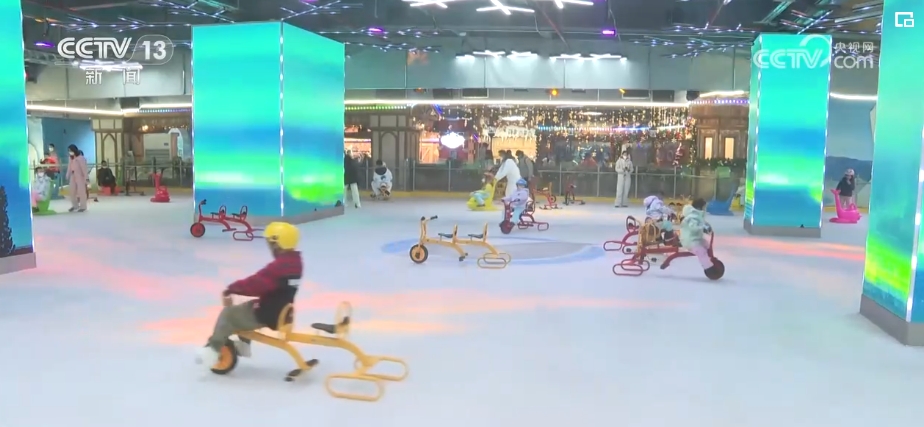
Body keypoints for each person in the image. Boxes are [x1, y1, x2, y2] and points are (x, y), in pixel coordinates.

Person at [196, 222, 304, 369]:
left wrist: (233, 288)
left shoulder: (278, 267)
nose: (269, 247)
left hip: (268, 314)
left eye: (270, 243)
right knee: (247, 307)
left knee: (229, 314)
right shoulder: (296, 262)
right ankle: (243, 345)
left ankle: (212, 351)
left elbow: (256, 283)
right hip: (282, 311)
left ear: (277, 243)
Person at [680, 198, 719, 276]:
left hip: (696, 238)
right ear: (699, 207)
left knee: (706, 245)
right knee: (701, 251)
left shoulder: (697, 215)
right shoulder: (692, 217)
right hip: (689, 240)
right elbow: (693, 227)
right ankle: (709, 269)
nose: (705, 209)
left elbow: (702, 223)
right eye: (704, 207)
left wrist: (706, 226)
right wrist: (703, 228)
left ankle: (710, 259)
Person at [66, 144, 88, 212]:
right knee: (72, 191)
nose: (69, 152)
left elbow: (84, 168)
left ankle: (83, 206)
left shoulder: (80, 158)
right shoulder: (70, 158)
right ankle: (75, 205)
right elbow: (69, 167)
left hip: (80, 176)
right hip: (73, 175)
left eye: (70, 150)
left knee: (81, 191)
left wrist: (86, 177)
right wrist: (67, 175)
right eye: (69, 151)